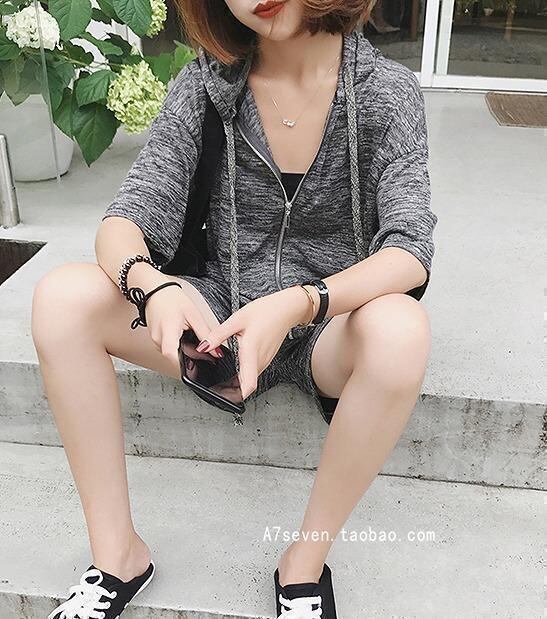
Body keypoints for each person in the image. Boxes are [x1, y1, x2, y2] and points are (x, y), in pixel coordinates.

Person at [31, 0, 438, 617]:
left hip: (324, 326)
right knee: (63, 298)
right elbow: (127, 216)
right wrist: (153, 286)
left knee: (402, 330)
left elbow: (409, 250)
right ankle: (118, 556)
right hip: (218, 316)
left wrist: (298, 304)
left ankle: (303, 567)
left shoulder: (386, 92)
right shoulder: (209, 81)